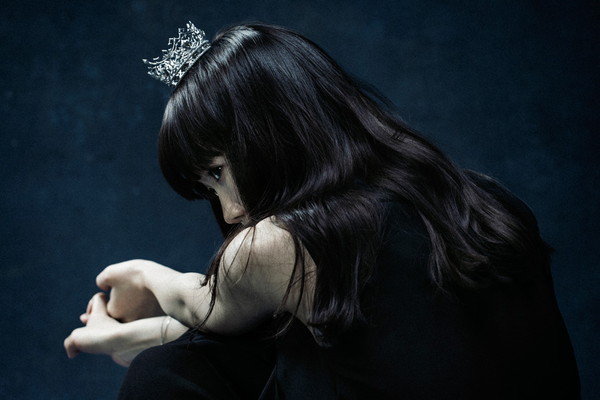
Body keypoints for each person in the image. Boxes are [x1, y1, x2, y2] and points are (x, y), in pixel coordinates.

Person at [64, 22, 580, 399]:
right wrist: (130, 336)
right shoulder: (484, 200)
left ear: (275, 131)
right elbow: (271, 342)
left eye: (218, 173)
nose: (232, 211)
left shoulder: (287, 242)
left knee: (162, 374)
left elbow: (202, 305)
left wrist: (141, 274)